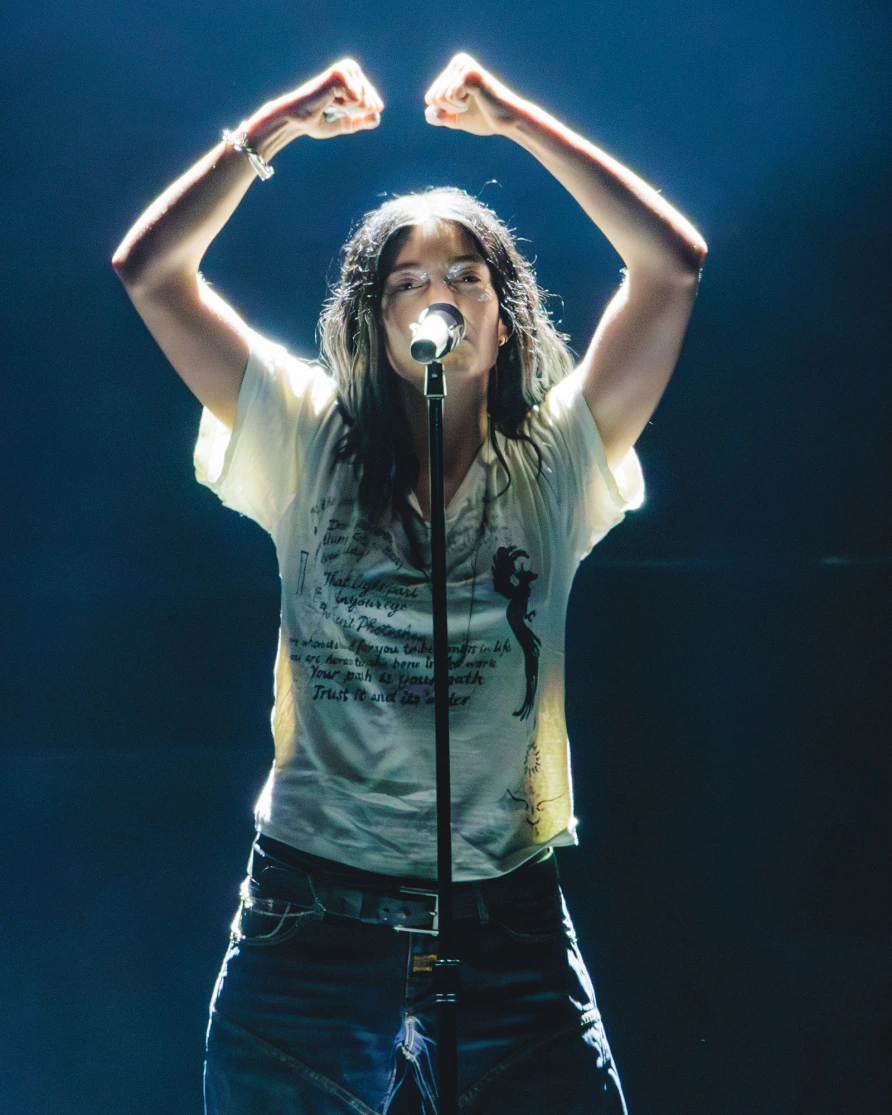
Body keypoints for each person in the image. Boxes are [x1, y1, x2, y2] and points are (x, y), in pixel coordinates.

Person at [113, 53, 706, 1115]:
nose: (439, 293)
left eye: (466, 275)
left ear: (504, 314)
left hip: (506, 919)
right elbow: (151, 270)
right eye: (407, 282)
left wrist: (515, 120)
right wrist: (277, 125)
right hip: (313, 915)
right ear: (375, 326)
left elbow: (671, 265)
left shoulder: (557, 457)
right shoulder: (302, 434)